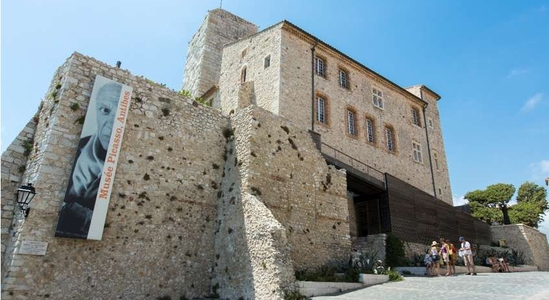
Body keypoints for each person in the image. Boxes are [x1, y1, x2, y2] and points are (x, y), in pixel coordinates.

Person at [56, 82, 122, 238]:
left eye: (119, 115)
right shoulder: (77, 148)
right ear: (96, 111)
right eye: (105, 110)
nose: (111, 125)